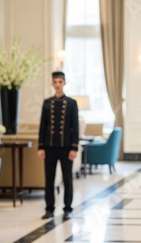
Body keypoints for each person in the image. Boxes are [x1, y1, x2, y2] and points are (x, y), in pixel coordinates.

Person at [38, 71, 79, 220]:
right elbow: (43, 126)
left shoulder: (72, 103)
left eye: (60, 82)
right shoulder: (47, 103)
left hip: (66, 147)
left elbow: (75, 127)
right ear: (52, 84)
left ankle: (68, 208)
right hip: (49, 147)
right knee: (49, 179)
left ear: (64, 83)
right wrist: (41, 147)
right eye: (55, 82)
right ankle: (49, 208)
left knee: (67, 179)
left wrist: (74, 148)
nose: (57, 85)